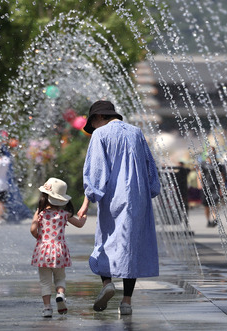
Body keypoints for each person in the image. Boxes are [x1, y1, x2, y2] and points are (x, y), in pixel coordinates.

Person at [77, 100, 161, 316]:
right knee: (130, 246)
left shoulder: (100, 134)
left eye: (92, 123)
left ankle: (107, 284)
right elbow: (150, 166)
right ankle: (126, 302)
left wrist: (88, 200)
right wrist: (150, 190)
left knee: (105, 242)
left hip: (114, 197)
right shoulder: (136, 132)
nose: (92, 128)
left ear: (98, 118)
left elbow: (96, 171)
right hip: (138, 197)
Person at [30, 177, 87, 317]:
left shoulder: (40, 213)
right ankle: (60, 294)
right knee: (60, 278)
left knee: (45, 281)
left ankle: (47, 308)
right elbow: (80, 224)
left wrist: (39, 237)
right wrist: (83, 214)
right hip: (59, 251)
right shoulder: (64, 214)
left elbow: (33, 230)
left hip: (43, 250)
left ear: (45, 196)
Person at [197, 146, 226, 227]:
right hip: (205, 186)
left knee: (214, 204)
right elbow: (199, 174)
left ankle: (215, 219)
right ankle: (208, 220)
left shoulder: (218, 164)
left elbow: (221, 176)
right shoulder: (203, 163)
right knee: (206, 205)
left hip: (215, 187)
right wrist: (199, 184)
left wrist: (222, 186)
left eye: (213, 151)